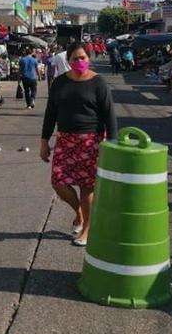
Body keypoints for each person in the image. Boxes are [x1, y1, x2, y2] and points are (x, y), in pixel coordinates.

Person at [41, 42, 118, 247]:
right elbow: (50, 113)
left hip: (90, 142)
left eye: (83, 57)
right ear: (68, 61)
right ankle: (79, 213)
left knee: (86, 188)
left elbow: (109, 115)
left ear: (89, 58)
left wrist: (111, 143)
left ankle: (86, 230)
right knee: (59, 183)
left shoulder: (98, 83)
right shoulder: (59, 83)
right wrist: (44, 140)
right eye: (75, 58)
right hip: (65, 140)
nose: (79, 61)